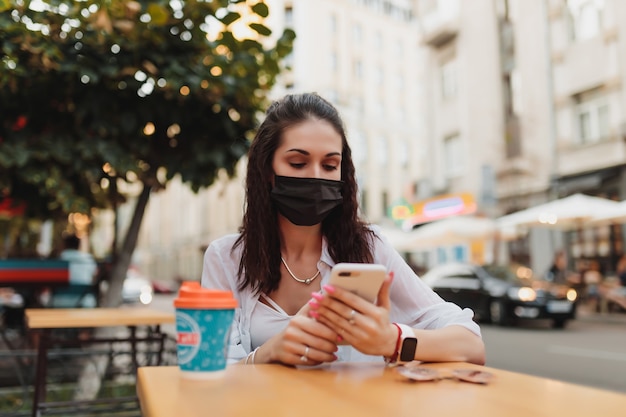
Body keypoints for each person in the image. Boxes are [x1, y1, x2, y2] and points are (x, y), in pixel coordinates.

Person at [201, 93, 485, 366]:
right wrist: (268, 353)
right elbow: (208, 364)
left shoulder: (369, 249)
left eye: (329, 165)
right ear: (267, 170)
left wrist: (392, 341)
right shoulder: (226, 258)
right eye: (298, 163)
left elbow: (470, 344)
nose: (315, 176)